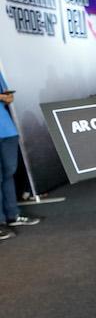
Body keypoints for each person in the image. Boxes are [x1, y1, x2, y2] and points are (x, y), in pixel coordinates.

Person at [0, 71, 40, 240]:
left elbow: (8, 97)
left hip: (6, 130)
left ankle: (13, 214)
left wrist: (6, 97)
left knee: (8, 173)